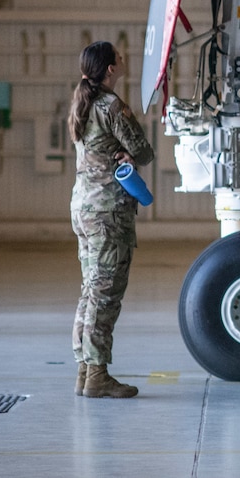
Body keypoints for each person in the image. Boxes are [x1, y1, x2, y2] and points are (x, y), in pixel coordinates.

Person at [67, 41, 154, 399]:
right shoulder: (111, 106)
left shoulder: (79, 103)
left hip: (83, 208)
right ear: (110, 69)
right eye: (119, 56)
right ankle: (98, 374)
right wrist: (129, 153)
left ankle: (85, 370)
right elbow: (144, 151)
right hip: (109, 214)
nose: (123, 59)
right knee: (106, 294)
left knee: (91, 290)